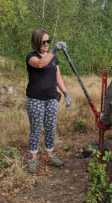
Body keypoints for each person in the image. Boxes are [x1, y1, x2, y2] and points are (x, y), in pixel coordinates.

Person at [25, 28, 72, 173]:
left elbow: (58, 77)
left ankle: (49, 155)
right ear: (36, 42)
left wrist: (65, 93)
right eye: (43, 41)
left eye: (48, 41)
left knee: (51, 128)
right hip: (35, 100)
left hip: (52, 98)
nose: (46, 44)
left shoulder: (53, 59)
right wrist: (54, 49)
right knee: (36, 129)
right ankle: (33, 158)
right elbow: (40, 64)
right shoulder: (31, 57)